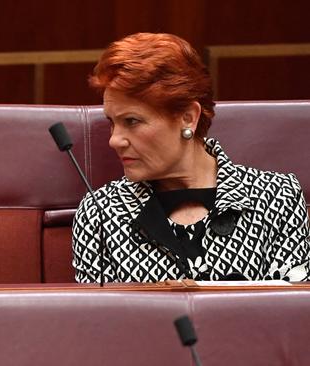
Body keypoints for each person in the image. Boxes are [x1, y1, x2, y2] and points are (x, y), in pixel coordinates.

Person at [72, 33, 310, 283]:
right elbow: (99, 320)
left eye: (132, 121)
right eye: (112, 122)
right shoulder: (100, 213)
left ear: (188, 117)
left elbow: (292, 316)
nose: (114, 140)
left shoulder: (276, 197)